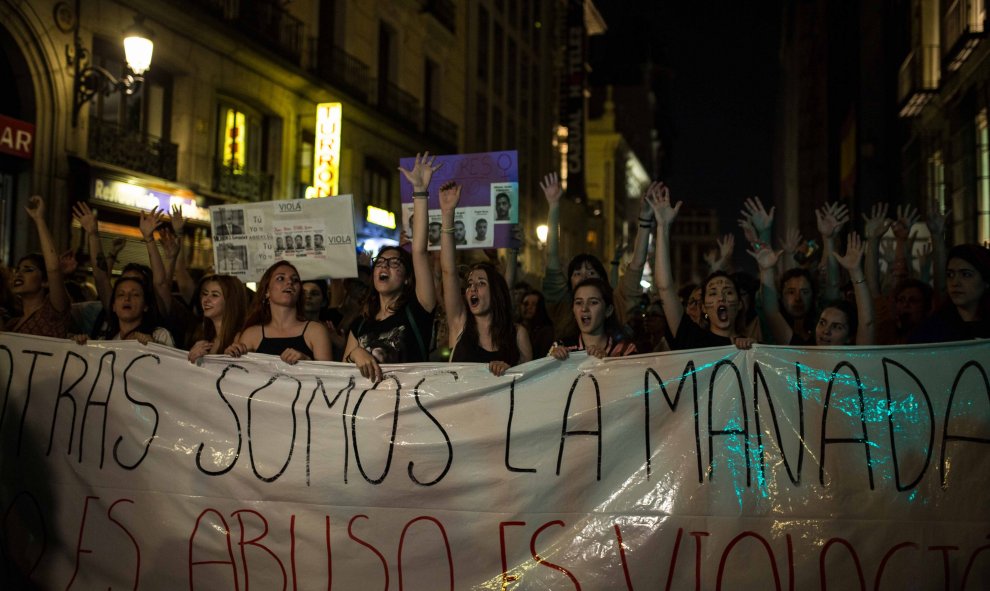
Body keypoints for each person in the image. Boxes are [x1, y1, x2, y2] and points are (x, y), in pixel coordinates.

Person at [344, 152, 439, 381]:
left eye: (395, 263)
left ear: (407, 278)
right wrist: (355, 353)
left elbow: (419, 250)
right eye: (381, 262)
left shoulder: (418, 310)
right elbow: (341, 372)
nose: (384, 266)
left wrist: (419, 191)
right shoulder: (359, 324)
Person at [439, 181, 532, 376]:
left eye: (481, 283)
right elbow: (448, 271)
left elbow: (529, 383)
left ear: (496, 292)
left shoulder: (517, 334)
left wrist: (510, 370)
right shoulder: (459, 324)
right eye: (470, 284)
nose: (472, 289)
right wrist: (448, 214)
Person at [647, 183, 755, 350]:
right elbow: (665, 287)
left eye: (728, 292)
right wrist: (663, 227)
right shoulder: (691, 339)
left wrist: (753, 350)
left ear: (740, 304)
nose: (721, 298)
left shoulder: (753, 347)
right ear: (703, 306)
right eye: (713, 293)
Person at [753, 232, 875, 346]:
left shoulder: (857, 358)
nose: (826, 331)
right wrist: (766, 270)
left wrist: (855, 271)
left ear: (849, 337)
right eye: (822, 323)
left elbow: (867, 323)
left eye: (837, 327)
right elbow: (772, 313)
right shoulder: (803, 350)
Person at [225, 261, 333, 363]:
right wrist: (230, 357)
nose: (289, 282)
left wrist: (306, 362)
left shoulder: (316, 331)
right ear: (267, 291)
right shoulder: (251, 334)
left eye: (295, 280)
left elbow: (330, 378)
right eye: (281, 278)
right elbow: (242, 377)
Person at [6, 196, 71, 338]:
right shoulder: (11, 324)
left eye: (28, 270)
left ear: (45, 281)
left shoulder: (53, 313)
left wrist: (39, 220)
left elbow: (53, 268)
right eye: (17, 270)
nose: (19, 274)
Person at [910, 243, 990, 343]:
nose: (955, 282)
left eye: (966, 274)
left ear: (986, 281)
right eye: (950, 275)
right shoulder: (931, 331)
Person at [549, 278, 637, 359]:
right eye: (579, 303)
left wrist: (607, 362)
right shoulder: (561, 346)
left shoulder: (625, 349)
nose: (584, 308)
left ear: (608, 310)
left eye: (593, 302)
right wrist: (551, 361)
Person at [75, 276, 174, 346]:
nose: (127, 298)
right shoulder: (106, 342)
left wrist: (155, 347)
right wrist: (85, 347)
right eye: (121, 295)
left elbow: (170, 370)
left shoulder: (160, 335)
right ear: (113, 306)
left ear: (145, 306)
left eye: (135, 294)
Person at [187, 275, 248, 363]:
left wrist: (229, 360)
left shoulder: (240, 337)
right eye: (205, 294)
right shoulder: (203, 336)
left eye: (215, 295)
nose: (206, 300)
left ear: (230, 301)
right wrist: (192, 359)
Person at [520, 289, 556, 359]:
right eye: (525, 304)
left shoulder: (546, 331)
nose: (528, 307)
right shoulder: (515, 327)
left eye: (533, 304)